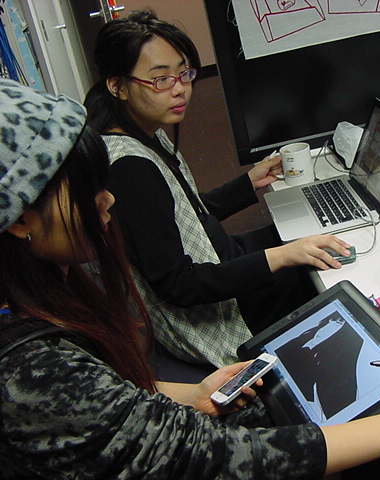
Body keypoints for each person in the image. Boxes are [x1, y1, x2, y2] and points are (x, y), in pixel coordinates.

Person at [0, 77, 380, 478]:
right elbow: (215, 458)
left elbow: (109, 403)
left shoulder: (44, 296)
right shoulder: (30, 371)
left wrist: (187, 394)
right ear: (21, 218)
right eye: (86, 192)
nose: (107, 200)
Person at [83, 10, 352, 368]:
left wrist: (248, 183)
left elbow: (181, 214)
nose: (179, 88)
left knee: (309, 236)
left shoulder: (137, 131)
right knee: (320, 273)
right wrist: (283, 256)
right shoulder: (130, 168)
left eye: (184, 73)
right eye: (160, 79)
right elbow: (180, 285)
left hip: (218, 257)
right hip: (218, 312)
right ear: (117, 86)